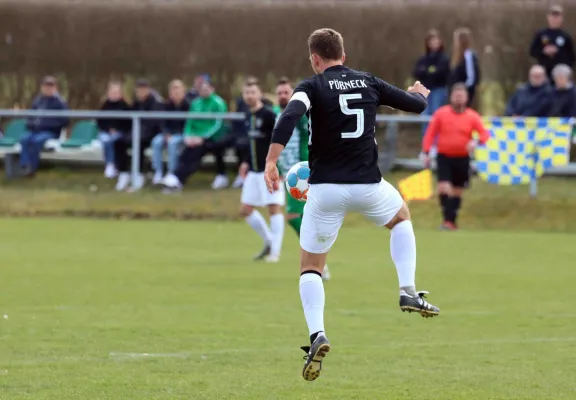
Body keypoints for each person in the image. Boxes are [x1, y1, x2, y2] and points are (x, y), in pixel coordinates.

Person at [263, 28, 439, 382]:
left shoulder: (311, 86)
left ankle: (317, 334)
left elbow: (289, 116)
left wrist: (271, 161)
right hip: (368, 185)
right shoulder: (367, 81)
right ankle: (407, 289)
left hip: (325, 189)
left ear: (315, 58)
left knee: (311, 266)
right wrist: (419, 92)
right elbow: (416, 105)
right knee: (401, 217)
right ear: (343, 55)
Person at [274, 77, 331, 280]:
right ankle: (318, 260)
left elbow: (306, 141)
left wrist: (304, 168)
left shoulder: (299, 116)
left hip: (301, 173)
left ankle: (318, 260)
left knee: (293, 216)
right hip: (288, 173)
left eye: (285, 92)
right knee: (306, 217)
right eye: (279, 93)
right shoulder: (277, 115)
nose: (282, 96)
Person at [422, 83, 490, 230]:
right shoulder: (441, 114)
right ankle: (447, 221)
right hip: (444, 156)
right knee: (444, 188)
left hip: (463, 158)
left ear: (466, 98)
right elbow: (430, 133)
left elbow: (485, 134)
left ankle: (451, 222)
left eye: (462, 96)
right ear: (451, 97)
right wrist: (426, 152)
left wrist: (475, 141)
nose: (459, 98)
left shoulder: (472, 116)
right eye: (456, 95)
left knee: (457, 191)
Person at [240, 81, 285, 262]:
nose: (249, 95)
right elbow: (250, 143)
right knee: (245, 209)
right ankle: (268, 241)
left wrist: (277, 166)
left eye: (252, 92)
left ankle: (275, 251)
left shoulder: (268, 115)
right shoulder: (246, 116)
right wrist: (244, 162)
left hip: (269, 169)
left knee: (274, 208)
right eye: (247, 92)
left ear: (259, 94)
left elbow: (279, 141)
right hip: (253, 171)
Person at [160, 82, 228, 192]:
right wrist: (188, 136)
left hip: (213, 138)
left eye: (207, 88)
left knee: (195, 153)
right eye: (202, 88)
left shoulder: (218, 103)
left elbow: (218, 124)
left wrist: (203, 137)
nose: (204, 90)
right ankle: (176, 177)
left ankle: (178, 178)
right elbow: (189, 122)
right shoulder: (196, 103)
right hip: (195, 137)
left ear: (212, 88)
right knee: (186, 152)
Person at [114, 79, 163, 191]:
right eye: (138, 89)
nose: (140, 92)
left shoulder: (155, 102)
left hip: (150, 134)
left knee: (138, 144)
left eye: (143, 89)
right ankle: (124, 173)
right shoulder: (136, 102)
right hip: (134, 132)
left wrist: (140, 132)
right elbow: (129, 119)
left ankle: (139, 174)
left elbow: (154, 123)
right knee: (118, 142)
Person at [19, 76, 69, 176]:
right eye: (46, 86)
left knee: (37, 141)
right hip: (35, 130)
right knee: (24, 139)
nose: (48, 89)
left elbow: (65, 121)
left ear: (55, 88)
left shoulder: (60, 103)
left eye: (50, 86)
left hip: (51, 132)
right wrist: (30, 124)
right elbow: (30, 116)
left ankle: (32, 168)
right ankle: (24, 165)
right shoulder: (38, 101)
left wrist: (48, 125)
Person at [151, 80, 190, 184]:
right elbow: (162, 122)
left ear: (183, 91)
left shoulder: (188, 105)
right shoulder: (165, 105)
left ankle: (171, 172)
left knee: (172, 143)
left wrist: (176, 135)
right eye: (173, 90)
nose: (176, 93)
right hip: (167, 133)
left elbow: (189, 124)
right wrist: (166, 133)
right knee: (156, 142)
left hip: (182, 134)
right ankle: (158, 172)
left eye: (178, 90)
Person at [413, 29, 450, 134]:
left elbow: (441, 72)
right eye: (431, 41)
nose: (434, 44)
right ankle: (426, 143)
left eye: (436, 41)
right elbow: (417, 72)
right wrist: (429, 70)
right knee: (425, 116)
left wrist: (427, 70)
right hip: (425, 91)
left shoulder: (444, 58)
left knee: (436, 115)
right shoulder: (423, 58)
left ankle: (436, 143)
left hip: (439, 89)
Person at [529, 5, 575, 80]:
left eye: (557, 17)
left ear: (561, 19)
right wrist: (544, 51)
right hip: (544, 71)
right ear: (548, 18)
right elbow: (532, 52)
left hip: (560, 74)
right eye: (553, 16)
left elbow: (571, 56)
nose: (555, 19)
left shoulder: (565, 36)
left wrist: (558, 53)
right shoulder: (541, 34)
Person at [97, 81, 131, 179]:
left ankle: (114, 165)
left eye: (116, 92)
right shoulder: (104, 106)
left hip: (120, 132)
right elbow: (100, 122)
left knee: (114, 140)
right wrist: (108, 129)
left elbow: (127, 123)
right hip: (106, 131)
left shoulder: (125, 106)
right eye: (112, 92)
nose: (114, 94)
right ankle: (109, 164)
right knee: (105, 140)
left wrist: (117, 129)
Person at [448, 27, 480, 106]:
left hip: (464, 91)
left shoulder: (468, 55)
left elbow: (471, 76)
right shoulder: (457, 56)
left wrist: (464, 88)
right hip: (455, 91)